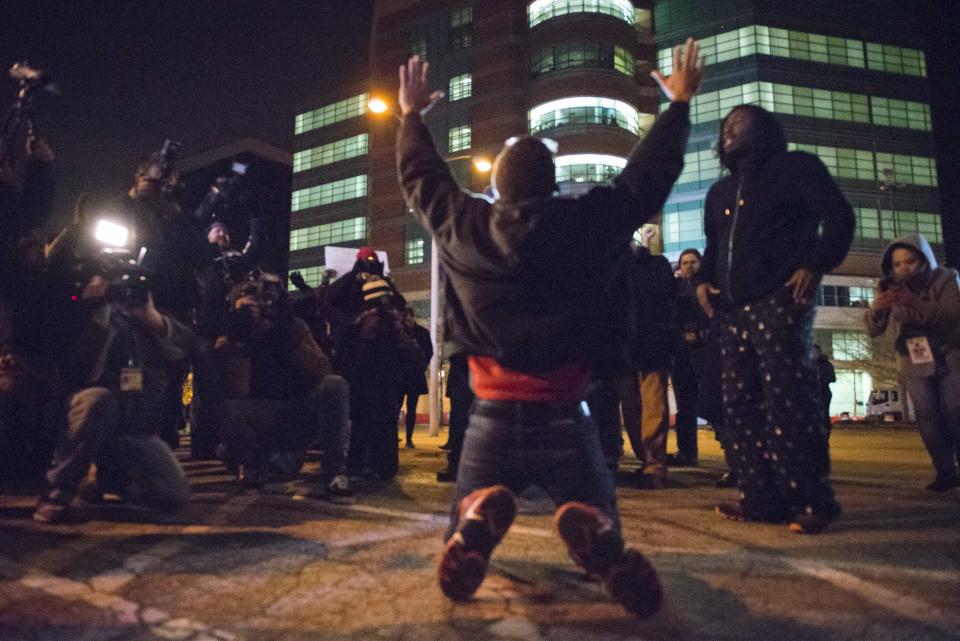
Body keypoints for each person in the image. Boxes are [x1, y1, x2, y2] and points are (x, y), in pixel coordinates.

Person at [395, 41, 704, 616]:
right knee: (595, 503)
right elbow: (646, 179)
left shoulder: (465, 224)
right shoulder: (586, 224)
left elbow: (421, 178)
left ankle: (478, 512)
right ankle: (593, 525)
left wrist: (411, 116)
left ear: (495, 189)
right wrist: (678, 107)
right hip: (566, 410)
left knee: (463, 515)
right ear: (554, 183)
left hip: (488, 412)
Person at [697, 104, 855, 534]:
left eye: (741, 121)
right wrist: (702, 282)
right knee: (739, 406)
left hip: (779, 299)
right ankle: (760, 498)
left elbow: (840, 217)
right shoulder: (719, 192)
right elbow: (714, 249)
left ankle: (809, 500)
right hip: (730, 311)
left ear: (765, 128)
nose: (731, 128)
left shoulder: (796, 168)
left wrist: (815, 263)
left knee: (789, 399)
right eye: (726, 125)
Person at [32, 279, 194, 523]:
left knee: (172, 495)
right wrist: (97, 314)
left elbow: (190, 345)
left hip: (131, 429)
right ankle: (56, 492)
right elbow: (79, 369)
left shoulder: (145, 323)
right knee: (100, 401)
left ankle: (104, 478)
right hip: (80, 420)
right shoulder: (77, 313)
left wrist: (151, 316)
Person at [214, 275, 353, 501]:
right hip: (260, 419)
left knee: (335, 385)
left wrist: (289, 339)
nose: (259, 311)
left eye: (263, 304)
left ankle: (335, 472)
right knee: (227, 409)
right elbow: (236, 395)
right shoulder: (229, 339)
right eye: (251, 305)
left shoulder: (293, 327)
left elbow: (323, 372)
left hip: (295, 414)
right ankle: (251, 463)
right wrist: (239, 342)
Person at [865, 234, 960, 492]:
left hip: (950, 351)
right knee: (927, 415)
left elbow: (952, 316)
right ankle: (945, 472)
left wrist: (914, 303)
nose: (903, 268)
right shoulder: (887, 286)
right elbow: (875, 330)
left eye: (910, 261)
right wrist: (876, 309)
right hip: (912, 356)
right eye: (897, 264)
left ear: (923, 258)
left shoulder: (946, 278)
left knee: (954, 409)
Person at [616, 228, 678, 490]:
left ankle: (654, 465)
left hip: (651, 345)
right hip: (624, 347)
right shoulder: (615, 267)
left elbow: (666, 299)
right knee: (632, 410)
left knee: (653, 408)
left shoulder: (654, 264)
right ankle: (647, 462)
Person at [667, 247, 710, 467]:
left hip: (704, 350)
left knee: (713, 400)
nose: (688, 266)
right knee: (685, 406)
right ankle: (687, 452)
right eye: (684, 262)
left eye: (693, 262)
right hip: (682, 353)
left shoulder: (709, 287)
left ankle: (734, 454)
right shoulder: (675, 288)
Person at [398, 306, 433, 448]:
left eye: (409, 318)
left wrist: (422, 365)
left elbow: (429, 352)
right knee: (396, 406)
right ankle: (398, 438)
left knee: (412, 408)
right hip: (402, 375)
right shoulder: (400, 332)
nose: (408, 321)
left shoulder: (421, 333)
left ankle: (409, 439)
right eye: (405, 319)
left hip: (412, 374)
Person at [812, 344, 836, 434]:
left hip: (823, 392)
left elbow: (833, 378)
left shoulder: (826, 365)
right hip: (811, 393)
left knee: (824, 414)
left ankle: (825, 433)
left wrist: (820, 378)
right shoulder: (808, 364)